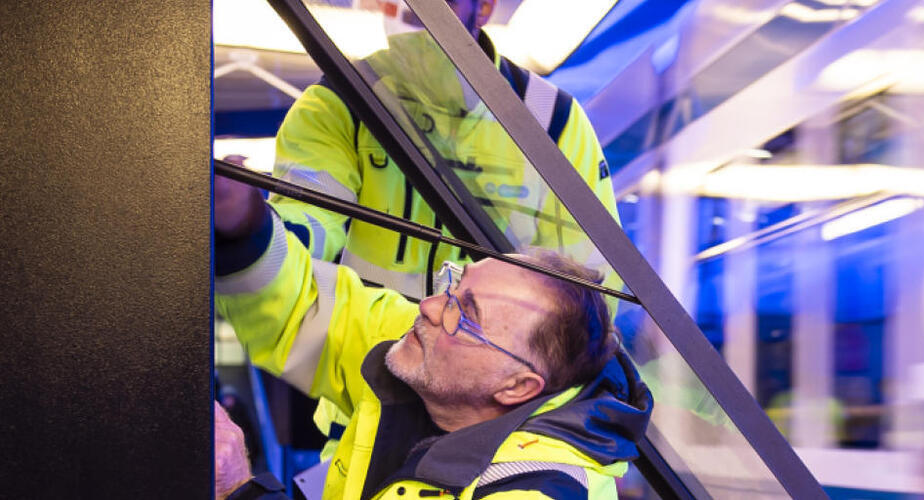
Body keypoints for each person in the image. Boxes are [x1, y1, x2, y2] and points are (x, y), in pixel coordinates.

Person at [266, 0, 622, 468]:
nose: (412, 10)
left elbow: (589, 294)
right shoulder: (342, 101)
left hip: (497, 425)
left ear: (485, 8)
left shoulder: (549, 120)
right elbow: (301, 233)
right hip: (368, 403)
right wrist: (255, 235)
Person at [214, 175, 652, 499]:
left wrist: (237, 489)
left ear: (517, 386)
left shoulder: (536, 488)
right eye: (453, 285)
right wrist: (245, 228)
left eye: (466, 314)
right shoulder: (426, 349)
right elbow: (301, 309)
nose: (429, 307)